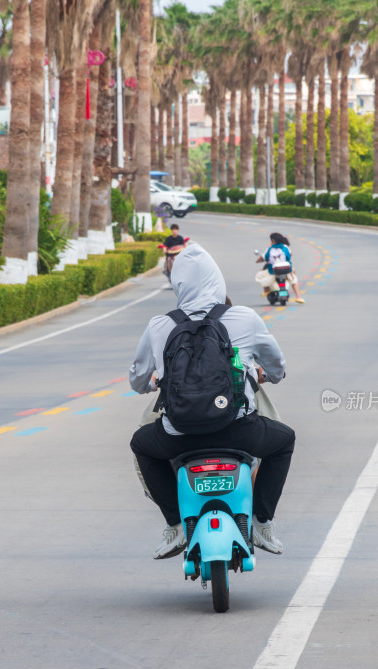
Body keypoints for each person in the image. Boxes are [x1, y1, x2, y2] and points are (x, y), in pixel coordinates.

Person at [129, 242, 296, 560]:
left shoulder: (160, 325)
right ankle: (261, 521)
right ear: (217, 280)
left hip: (178, 435)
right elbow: (278, 367)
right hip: (238, 430)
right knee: (284, 441)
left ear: (177, 283)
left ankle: (175, 524)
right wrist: (265, 376)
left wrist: (151, 383)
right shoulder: (244, 318)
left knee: (142, 444)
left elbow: (137, 379)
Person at [260, 232, 305, 304]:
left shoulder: (270, 248)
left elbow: (266, 258)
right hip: (286, 270)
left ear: (272, 240)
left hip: (273, 271)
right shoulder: (285, 248)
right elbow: (288, 257)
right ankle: (298, 296)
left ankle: (266, 290)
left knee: (261, 276)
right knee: (294, 281)